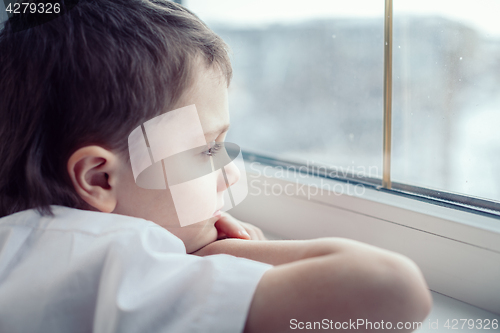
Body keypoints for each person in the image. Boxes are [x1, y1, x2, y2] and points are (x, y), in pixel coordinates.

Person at [0, 1, 432, 332]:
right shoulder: (115, 258)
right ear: (100, 177)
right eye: (207, 150)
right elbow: (393, 289)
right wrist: (220, 251)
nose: (231, 173)